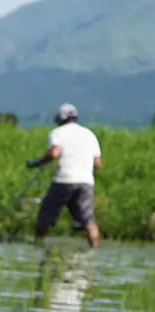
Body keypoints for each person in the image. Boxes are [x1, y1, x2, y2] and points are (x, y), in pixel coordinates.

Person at [27, 103, 102, 249]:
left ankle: (37, 246)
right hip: (86, 182)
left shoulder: (58, 133)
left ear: (60, 119)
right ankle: (94, 250)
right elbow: (97, 163)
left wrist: (39, 162)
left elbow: (54, 153)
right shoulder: (89, 134)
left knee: (45, 216)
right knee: (89, 221)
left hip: (64, 180)